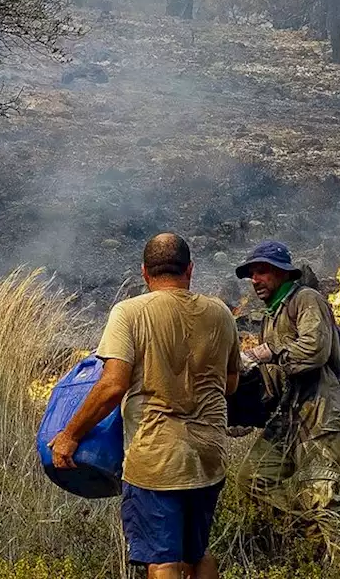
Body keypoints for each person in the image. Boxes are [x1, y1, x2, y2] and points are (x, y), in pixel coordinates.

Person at [48, 233, 241, 579]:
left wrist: (70, 434)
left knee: (163, 560)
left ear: (144, 273)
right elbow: (230, 383)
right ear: (190, 270)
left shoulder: (129, 313)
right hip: (209, 457)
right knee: (197, 554)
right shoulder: (221, 314)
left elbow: (112, 384)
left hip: (156, 459)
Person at [234, 240, 340, 568]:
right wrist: (244, 412)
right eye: (252, 274)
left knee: (321, 494)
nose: (255, 279)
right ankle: (315, 541)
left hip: (321, 413)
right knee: (252, 479)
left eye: (262, 271)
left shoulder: (306, 299)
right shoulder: (272, 314)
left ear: (282, 273)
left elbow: (315, 349)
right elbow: (276, 381)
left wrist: (265, 352)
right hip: (290, 417)